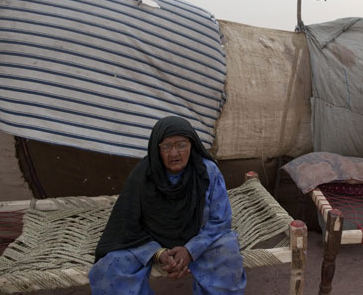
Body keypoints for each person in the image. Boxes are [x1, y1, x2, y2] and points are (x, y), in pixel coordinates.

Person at [89, 116, 246, 294]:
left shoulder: (207, 172)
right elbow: (127, 224)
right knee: (110, 268)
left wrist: (190, 250)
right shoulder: (143, 175)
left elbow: (220, 220)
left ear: (192, 145)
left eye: (181, 145)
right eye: (166, 146)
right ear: (157, 149)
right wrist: (159, 253)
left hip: (200, 239)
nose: (174, 153)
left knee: (227, 255)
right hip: (151, 240)